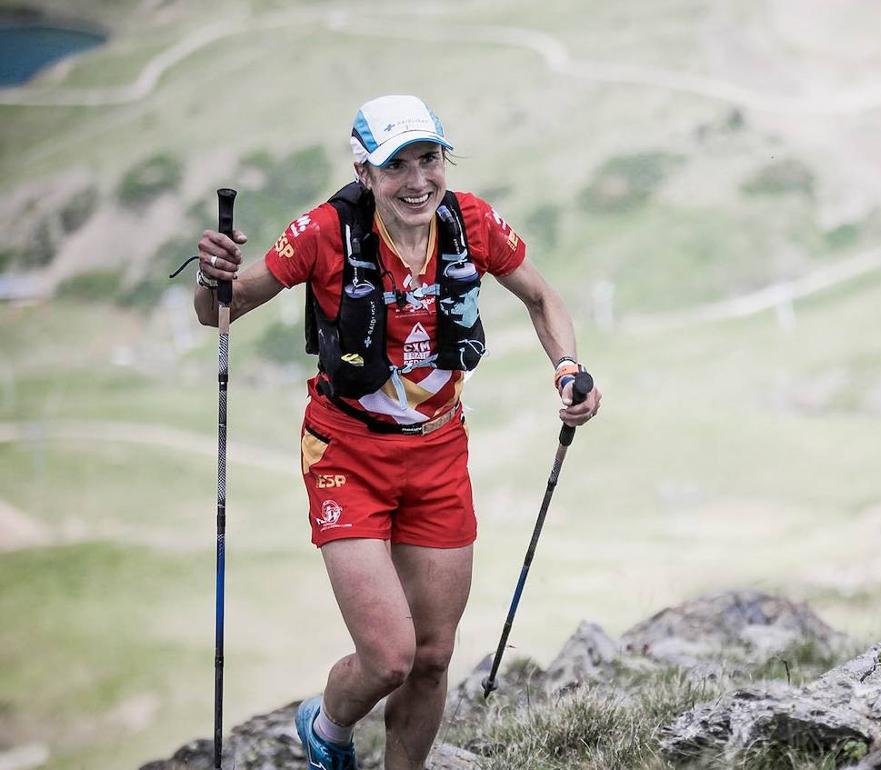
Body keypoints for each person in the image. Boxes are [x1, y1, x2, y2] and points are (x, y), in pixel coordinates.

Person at [193, 94, 602, 770]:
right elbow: (223, 311)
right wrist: (213, 281)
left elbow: (541, 296)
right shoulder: (323, 232)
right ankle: (326, 725)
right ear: (364, 173)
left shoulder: (471, 222)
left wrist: (568, 368)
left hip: (440, 450)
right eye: (395, 167)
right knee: (388, 657)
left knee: (434, 658)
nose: (417, 181)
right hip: (345, 452)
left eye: (429, 159)